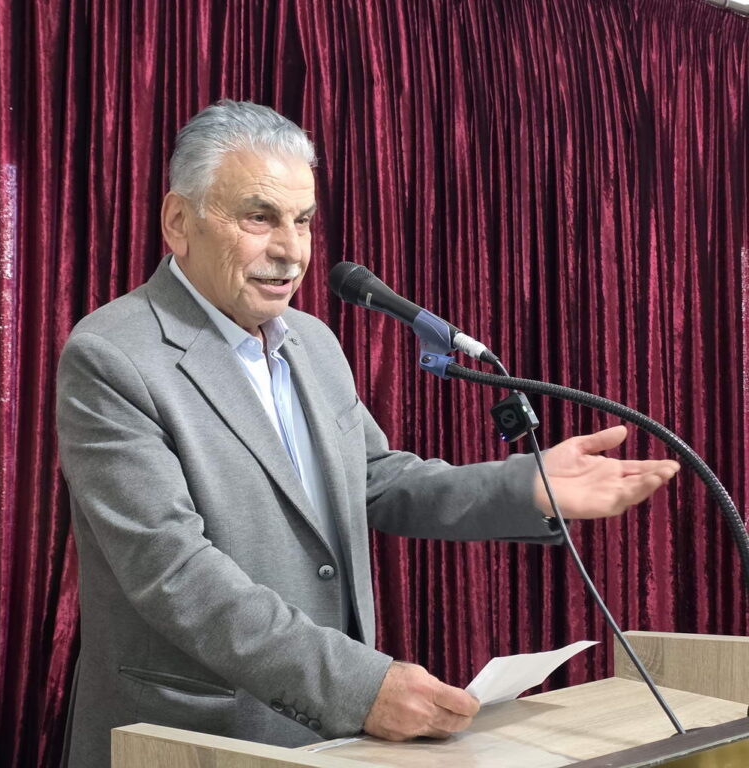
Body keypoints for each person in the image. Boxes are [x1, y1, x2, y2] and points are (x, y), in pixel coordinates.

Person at [55, 100, 679, 767]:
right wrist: (358, 686)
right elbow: (174, 572)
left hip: (332, 737)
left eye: (302, 220)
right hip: (194, 739)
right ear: (180, 222)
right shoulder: (113, 355)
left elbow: (374, 480)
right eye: (259, 218)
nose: (291, 251)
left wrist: (527, 486)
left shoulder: (314, 343)